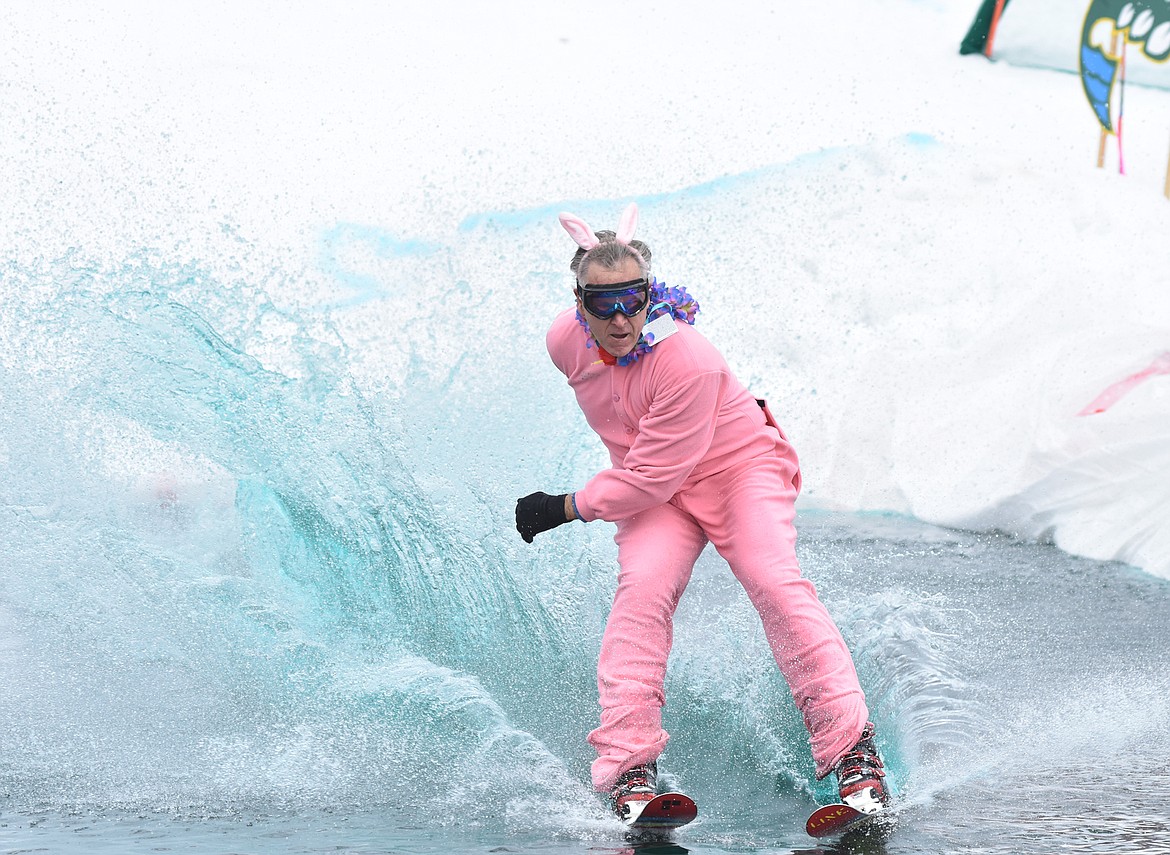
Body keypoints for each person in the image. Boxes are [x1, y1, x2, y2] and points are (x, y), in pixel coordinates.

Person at [515, 203, 889, 824]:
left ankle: (854, 756)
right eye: (601, 303)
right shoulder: (565, 342)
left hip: (735, 471)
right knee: (642, 592)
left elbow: (650, 475)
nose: (618, 318)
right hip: (654, 488)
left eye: (631, 300)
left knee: (774, 581)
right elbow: (644, 465)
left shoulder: (688, 360)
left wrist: (567, 506)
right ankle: (628, 768)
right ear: (578, 302)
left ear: (649, 295)